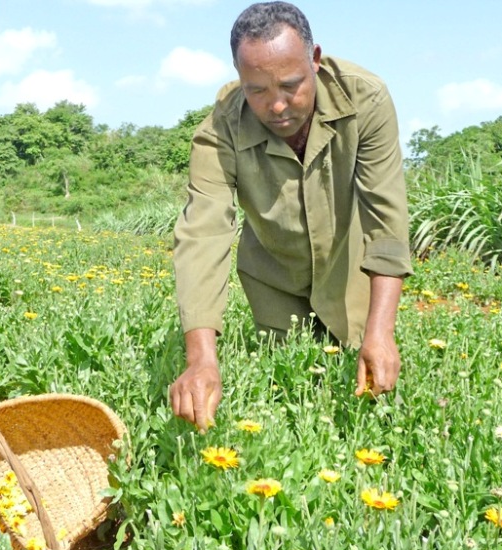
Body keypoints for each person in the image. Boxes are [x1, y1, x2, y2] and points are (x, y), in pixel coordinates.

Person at [169, 1, 412, 431]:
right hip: (273, 280)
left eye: (290, 85)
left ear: (315, 61)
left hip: (347, 275)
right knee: (287, 395)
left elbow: (386, 220)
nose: (277, 105)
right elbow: (202, 235)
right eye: (257, 90)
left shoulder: (366, 99)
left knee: (370, 410)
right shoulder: (219, 129)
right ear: (239, 78)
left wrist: (381, 331)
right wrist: (201, 358)